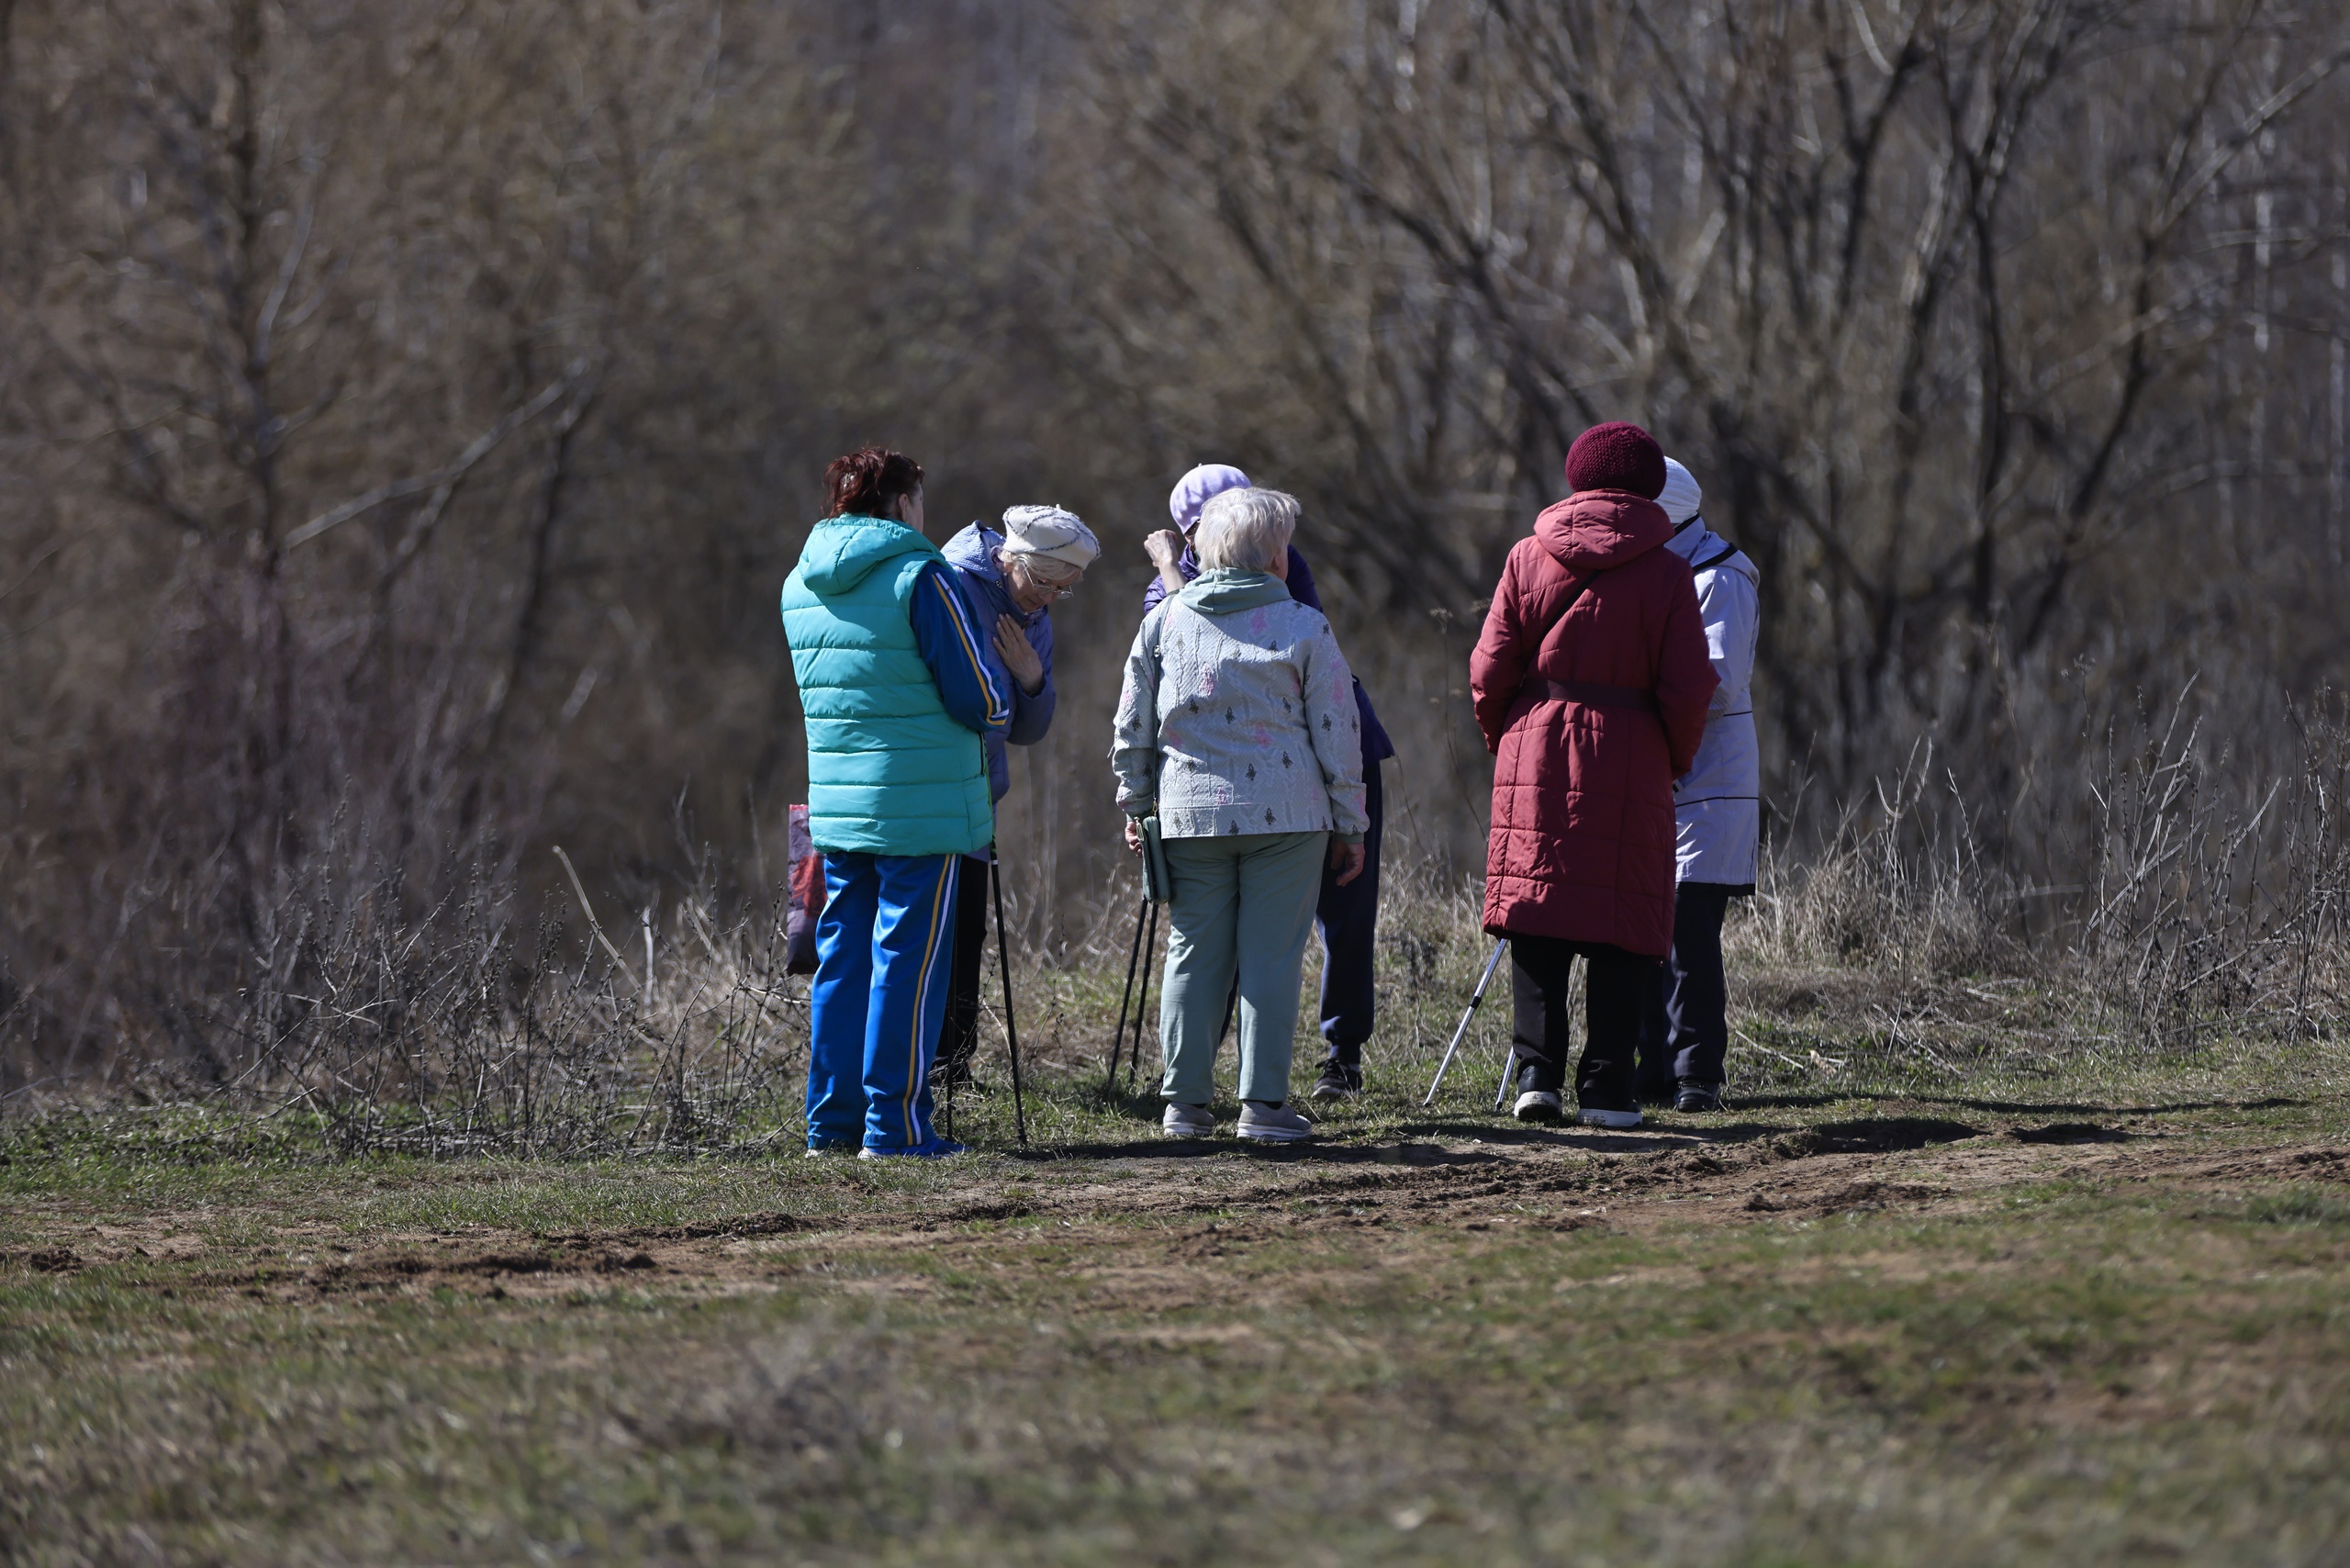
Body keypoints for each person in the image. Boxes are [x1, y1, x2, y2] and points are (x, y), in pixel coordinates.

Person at [1470, 421, 1717, 1129]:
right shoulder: (1668, 572)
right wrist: (1671, 758)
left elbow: (1489, 668)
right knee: (1623, 918)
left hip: (1536, 745)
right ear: (1650, 488)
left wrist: (1508, 741)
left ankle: (1537, 1077)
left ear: (1577, 477)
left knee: (1536, 911)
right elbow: (1689, 688)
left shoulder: (1527, 556)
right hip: (1633, 750)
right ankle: (1608, 1088)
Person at [1113, 487, 1369, 1143]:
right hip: (1288, 817)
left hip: (1189, 814)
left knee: (1193, 951)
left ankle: (1184, 1105)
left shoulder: (1164, 621)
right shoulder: (1305, 626)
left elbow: (1131, 726)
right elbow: (1338, 734)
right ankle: (1263, 1106)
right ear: (1276, 557)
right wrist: (1351, 823)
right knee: (1271, 956)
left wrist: (1137, 805)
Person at [779, 446, 1011, 1158]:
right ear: (903, 502)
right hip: (921, 804)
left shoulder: (799, 581)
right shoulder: (921, 574)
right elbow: (976, 693)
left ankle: (831, 1126)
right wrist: (1003, 706)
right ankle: (896, 1127)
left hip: (838, 802)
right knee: (907, 961)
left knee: (843, 958)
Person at [934, 504, 1101, 1091]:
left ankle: (954, 1069)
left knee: (968, 934)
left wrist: (1032, 679)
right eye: (1045, 582)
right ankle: (921, 1070)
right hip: (934, 789)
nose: (1049, 599)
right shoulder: (952, 585)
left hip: (980, 796)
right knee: (932, 935)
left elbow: (1029, 732)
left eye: (1064, 589)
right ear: (1011, 559)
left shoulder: (1035, 615)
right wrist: (1000, 702)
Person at [1634, 458, 1761, 1114]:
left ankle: (1696, 1074)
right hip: (1657, 780)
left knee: (1688, 933)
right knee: (1644, 928)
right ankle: (1653, 1068)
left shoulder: (1720, 576)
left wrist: (1631, 692)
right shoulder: (1652, 571)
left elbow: (1717, 684)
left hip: (1709, 784)